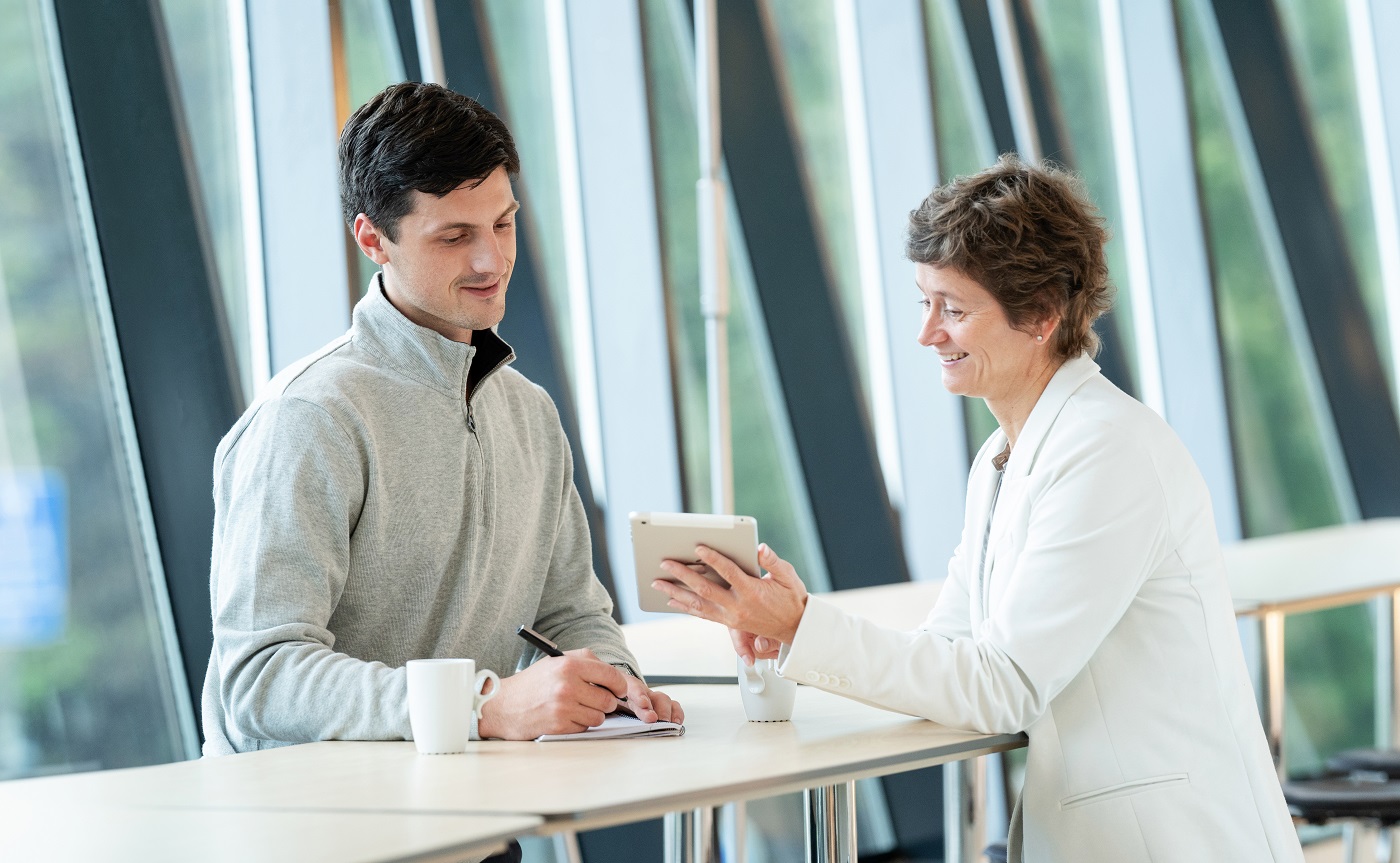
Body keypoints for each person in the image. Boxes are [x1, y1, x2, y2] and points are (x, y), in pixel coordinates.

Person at [653, 156, 1302, 861]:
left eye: (954, 309)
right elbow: (952, 652)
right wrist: (790, 632)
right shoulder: (1001, 458)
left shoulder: (1109, 453)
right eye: (924, 303)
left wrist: (806, 626)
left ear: (1043, 314)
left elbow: (1004, 685)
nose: (928, 333)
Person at [202, 82, 681, 768]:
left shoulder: (529, 413)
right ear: (373, 239)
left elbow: (571, 614)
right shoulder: (308, 419)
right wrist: (479, 704)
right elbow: (261, 676)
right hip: (310, 827)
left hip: (466, 818)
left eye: (504, 223)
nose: (491, 260)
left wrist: (615, 683)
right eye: (455, 236)